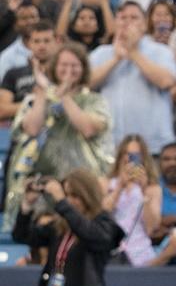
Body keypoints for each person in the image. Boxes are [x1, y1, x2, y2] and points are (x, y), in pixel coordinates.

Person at [6, 43, 112, 225]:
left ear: (83, 68)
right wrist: (42, 93)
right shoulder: (34, 99)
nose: (68, 70)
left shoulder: (94, 100)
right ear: (54, 67)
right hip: (40, 181)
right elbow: (31, 129)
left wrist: (64, 95)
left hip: (81, 184)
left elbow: (87, 128)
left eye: (74, 65)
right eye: (64, 65)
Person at [89, 0, 176, 154]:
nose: (127, 23)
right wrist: (116, 59)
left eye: (134, 18)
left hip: (152, 146)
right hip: (110, 147)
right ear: (115, 22)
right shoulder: (101, 53)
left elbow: (166, 81)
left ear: (144, 25)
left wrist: (134, 53)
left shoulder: (160, 51)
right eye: (123, 18)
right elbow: (85, 83)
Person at [14, 170, 123, 286]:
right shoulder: (59, 226)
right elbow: (22, 235)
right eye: (66, 195)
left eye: (75, 196)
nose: (69, 201)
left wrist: (61, 202)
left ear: (88, 195)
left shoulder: (103, 222)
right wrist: (27, 205)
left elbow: (89, 233)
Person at [102, 134, 162, 267]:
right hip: (110, 251)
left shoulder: (152, 188)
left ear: (143, 157)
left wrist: (143, 190)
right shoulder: (105, 183)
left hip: (140, 252)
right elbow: (101, 214)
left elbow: (152, 228)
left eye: (135, 155)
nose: (129, 159)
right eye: (126, 153)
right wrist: (119, 187)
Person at [0, 20, 56, 123]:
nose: (42, 46)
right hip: (20, 129)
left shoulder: (64, 74)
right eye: (36, 41)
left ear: (56, 42)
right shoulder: (13, 73)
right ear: (29, 44)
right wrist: (36, 102)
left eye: (47, 41)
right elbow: (2, 110)